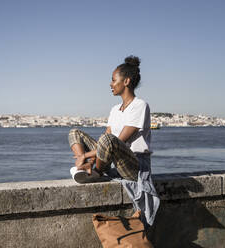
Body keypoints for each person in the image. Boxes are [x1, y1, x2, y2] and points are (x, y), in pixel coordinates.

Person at [68, 55, 160, 226]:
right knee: (75, 133)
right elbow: (105, 141)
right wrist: (91, 156)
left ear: (126, 81)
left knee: (108, 140)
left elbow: (120, 141)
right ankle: (88, 167)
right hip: (113, 158)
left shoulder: (140, 105)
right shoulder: (114, 110)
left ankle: (96, 172)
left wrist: (86, 155)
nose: (110, 84)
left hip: (134, 163)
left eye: (113, 80)